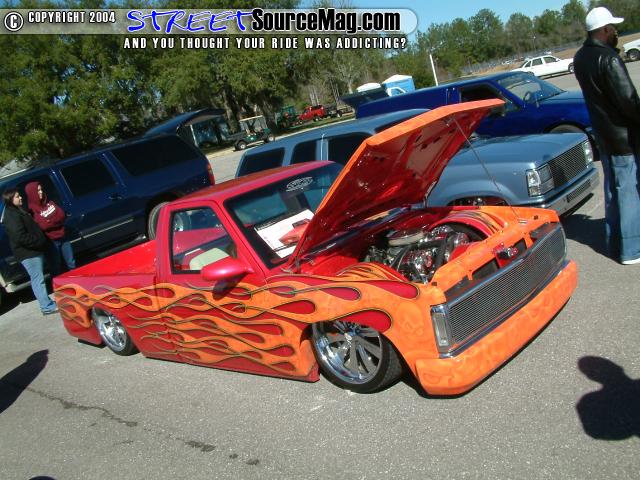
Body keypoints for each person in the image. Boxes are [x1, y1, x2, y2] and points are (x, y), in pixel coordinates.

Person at [573, 7, 640, 265]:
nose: (615, 32)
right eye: (612, 28)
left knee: (613, 190)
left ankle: (614, 242)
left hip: (603, 134)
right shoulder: (609, 58)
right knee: (628, 191)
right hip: (623, 138)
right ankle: (631, 249)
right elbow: (628, 100)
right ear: (604, 30)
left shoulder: (580, 57)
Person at [1, 188, 58, 314]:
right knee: (38, 279)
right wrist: (37, 241)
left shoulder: (17, 210)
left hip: (32, 251)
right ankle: (46, 307)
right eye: (17, 196)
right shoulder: (11, 215)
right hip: (28, 253)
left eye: (19, 195)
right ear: (10, 199)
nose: (20, 197)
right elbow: (20, 236)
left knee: (38, 278)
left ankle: (47, 303)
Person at [24, 181, 76, 272]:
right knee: (56, 267)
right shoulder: (32, 211)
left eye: (41, 189)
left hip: (63, 237)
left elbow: (61, 215)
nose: (41, 192)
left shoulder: (49, 202)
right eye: (38, 190)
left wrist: (49, 221)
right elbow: (42, 226)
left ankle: (76, 279)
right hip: (51, 242)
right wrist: (54, 220)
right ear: (32, 193)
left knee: (71, 263)